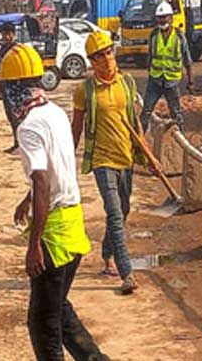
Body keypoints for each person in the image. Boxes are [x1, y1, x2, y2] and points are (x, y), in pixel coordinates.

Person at [3, 43, 108, 361]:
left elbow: (42, 180)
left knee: (43, 326)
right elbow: (54, 168)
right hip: (72, 222)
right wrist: (28, 199)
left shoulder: (29, 127)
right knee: (59, 311)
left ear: (13, 90)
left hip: (53, 234)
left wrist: (34, 245)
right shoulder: (54, 113)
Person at [71, 30, 150, 295]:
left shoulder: (127, 84)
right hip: (102, 160)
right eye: (99, 56)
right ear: (91, 61)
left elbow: (134, 121)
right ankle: (126, 272)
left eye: (108, 53)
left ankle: (106, 251)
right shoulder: (85, 91)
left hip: (125, 156)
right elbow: (77, 128)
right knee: (115, 213)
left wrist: (145, 149)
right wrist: (66, 160)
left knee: (123, 210)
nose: (106, 59)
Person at [138, 1, 193, 133]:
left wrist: (190, 82)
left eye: (165, 17)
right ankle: (138, 142)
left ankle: (182, 142)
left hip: (171, 82)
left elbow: (188, 61)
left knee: (176, 114)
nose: (162, 20)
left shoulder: (179, 37)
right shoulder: (154, 35)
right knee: (145, 113)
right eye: (160, 17)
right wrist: (150, 73)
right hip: (155, 80)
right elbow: (150, 57)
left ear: (171, 18)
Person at [0, 21, 21, 154]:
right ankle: (17, 143)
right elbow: (0, 70)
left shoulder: (16, 50)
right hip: (6, 86)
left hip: (15, 88)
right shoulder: (3, 50)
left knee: (16, 117)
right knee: (11, 117)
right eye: (3, 34)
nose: (4, 36)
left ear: (13, 34)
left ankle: (20, 144)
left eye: (7, 34)